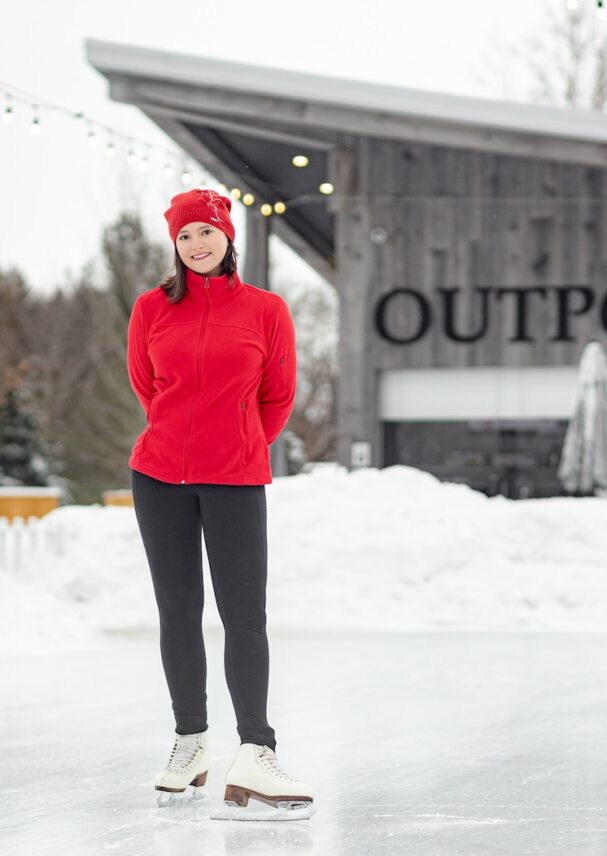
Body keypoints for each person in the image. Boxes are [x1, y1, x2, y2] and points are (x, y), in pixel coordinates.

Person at [126, 188, 315, 820]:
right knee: (177, 611)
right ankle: (189, 739)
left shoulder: (266, 310)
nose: (197, 245)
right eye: (185, 237)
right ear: (175, 247)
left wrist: (234, 444)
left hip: (234, 477)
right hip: (159, 476)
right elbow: (147, 386)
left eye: (206, 233)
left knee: (244, 613)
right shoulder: (152, 307)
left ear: (227, 238)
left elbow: (278, 395)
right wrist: (181, 441)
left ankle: (257, 749)